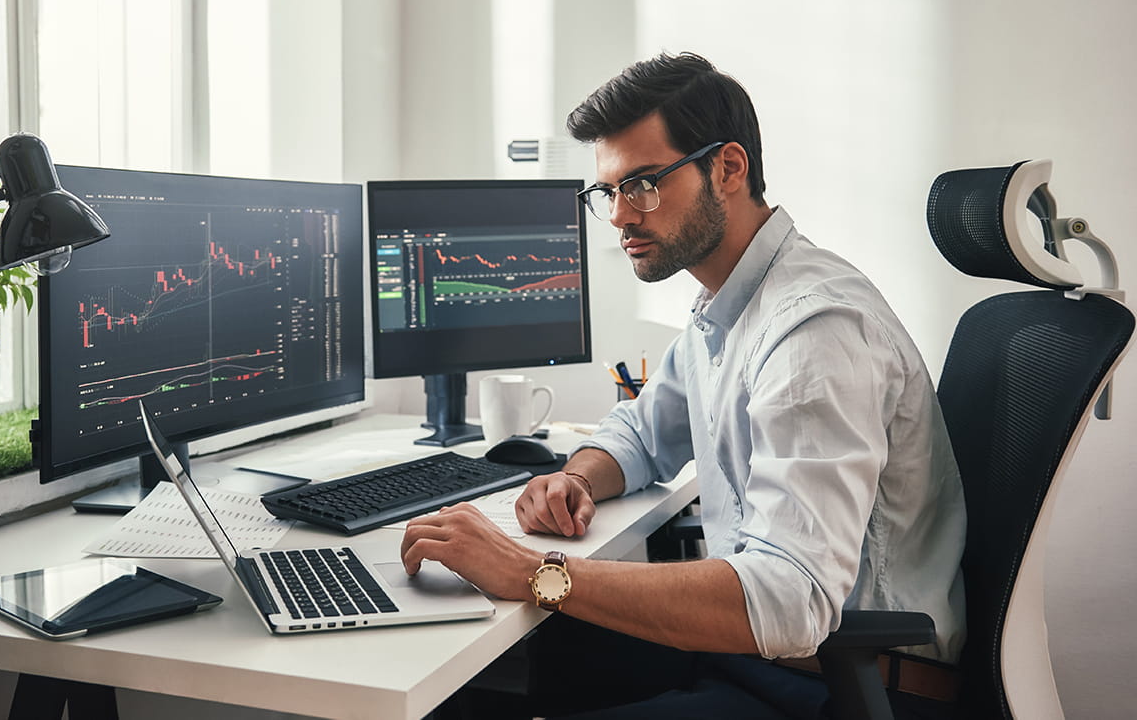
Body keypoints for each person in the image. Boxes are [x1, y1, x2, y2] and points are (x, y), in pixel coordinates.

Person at [401, 52, 967, 719]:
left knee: (524, 634)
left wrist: (534, 571)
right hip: (766, 659)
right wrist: (577, 478)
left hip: (844, 688)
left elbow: (790, 599)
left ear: (727, 168)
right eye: (606, 192)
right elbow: (641, 432)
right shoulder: (725, 305)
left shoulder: (814, 332)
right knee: (514, 665)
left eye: (641, 183)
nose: (617, 216)